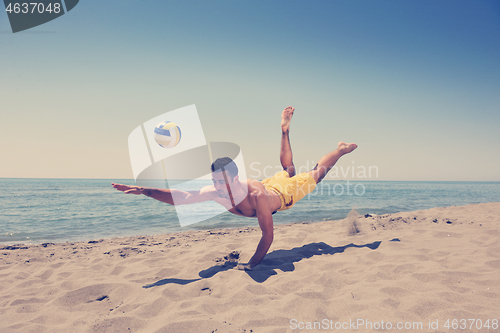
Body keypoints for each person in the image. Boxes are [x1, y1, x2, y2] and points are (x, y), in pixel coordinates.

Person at [112, 106, 357, 269]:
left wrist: (252, 265)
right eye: (215, 181)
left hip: (282, 194)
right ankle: (284, 131)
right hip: (270, 185)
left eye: (223, 181)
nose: (219, 187)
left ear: (236, 177)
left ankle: (340, 150)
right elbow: (183, 196)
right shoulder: (215, 192)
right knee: (288, 170)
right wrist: (147, 191)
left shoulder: (256, 196)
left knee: (313, 174)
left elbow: (268, 236)